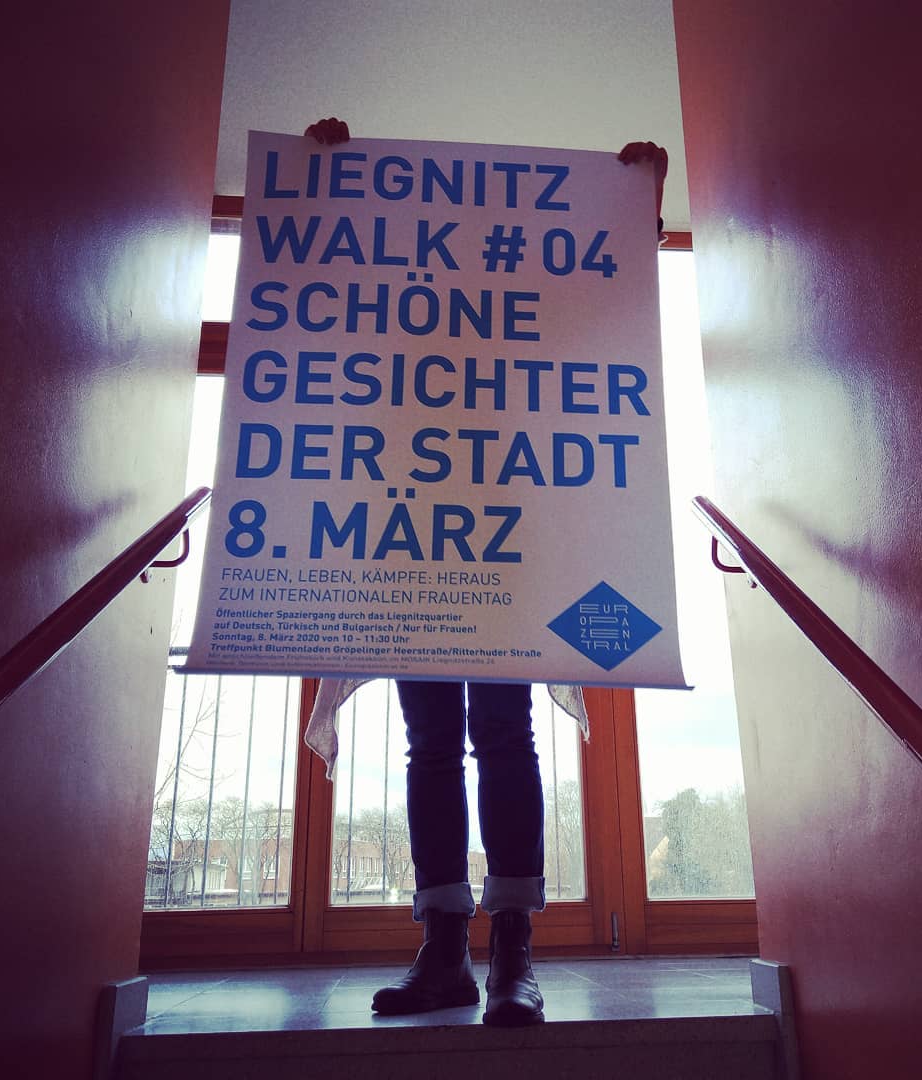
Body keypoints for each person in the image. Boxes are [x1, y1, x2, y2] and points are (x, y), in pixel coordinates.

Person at [304, 117, 667, 1027]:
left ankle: (512, 949)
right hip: (412, 546)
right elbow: (324, 294)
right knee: (432, 742)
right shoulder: (392, 305)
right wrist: (321, 185)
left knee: (502, 735)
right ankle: (445, 950)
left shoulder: (521, 305)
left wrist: (635, 207)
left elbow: (593, 299)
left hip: (509, 548)